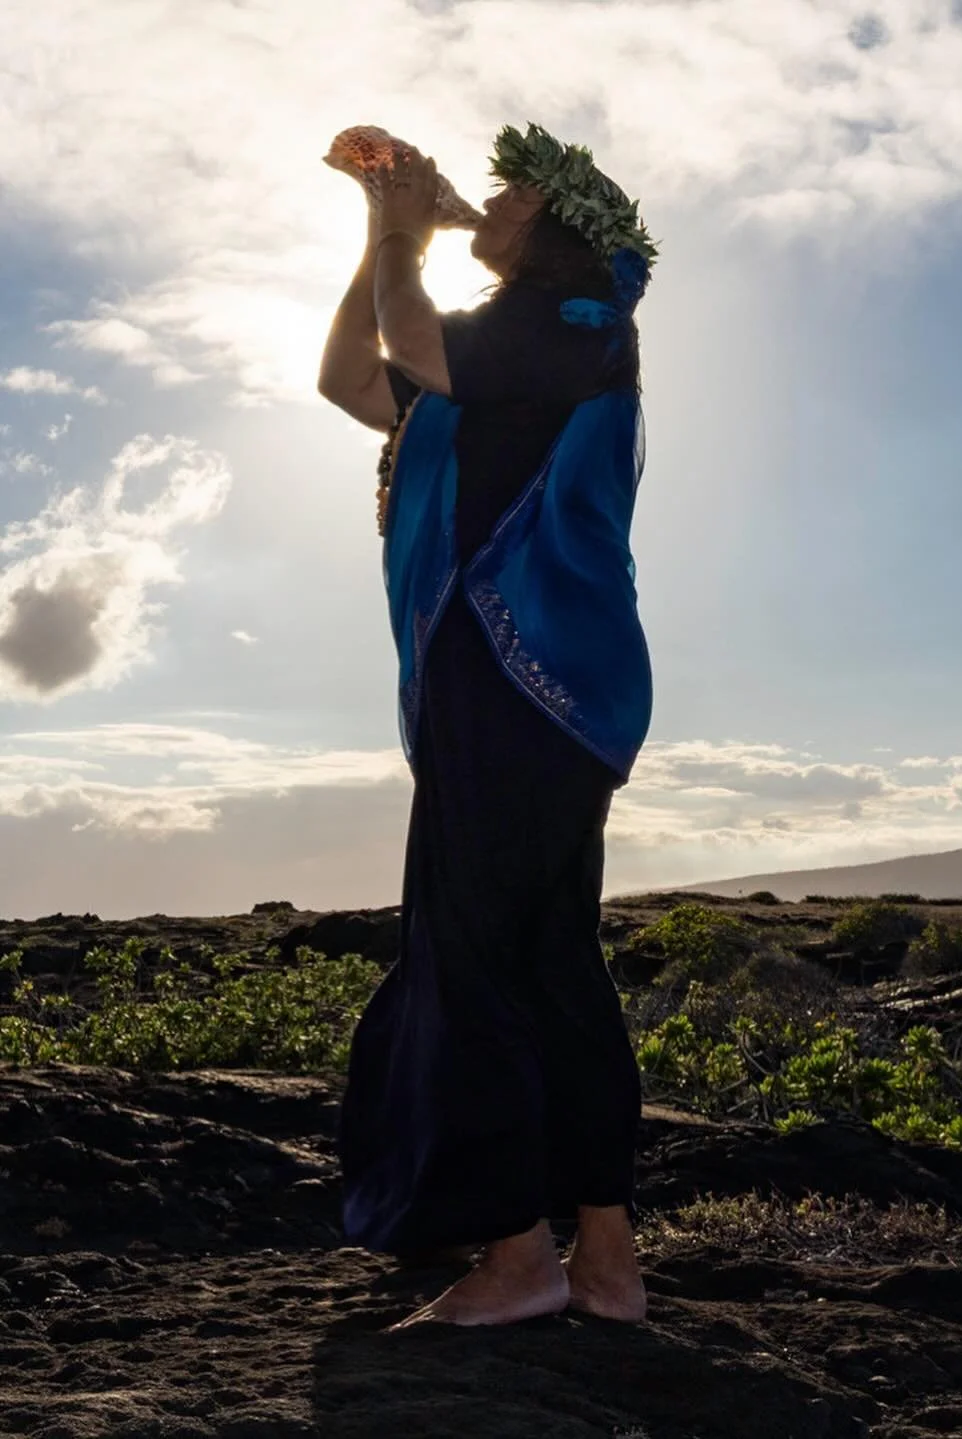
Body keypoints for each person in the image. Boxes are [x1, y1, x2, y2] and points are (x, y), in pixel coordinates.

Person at [316, 123, 658, 1329]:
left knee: (471, 958)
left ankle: (520, 1255)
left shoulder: (572, 318)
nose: (493, 197)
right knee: (550, 961)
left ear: (558, 221)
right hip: (545, 692)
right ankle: (606, 1262)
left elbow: (415, 345)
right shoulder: (526, 339)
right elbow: (352, 378)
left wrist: (410, 235)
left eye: (514, 192)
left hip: (518, 677)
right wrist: (383, 230)